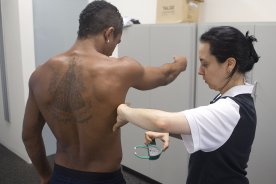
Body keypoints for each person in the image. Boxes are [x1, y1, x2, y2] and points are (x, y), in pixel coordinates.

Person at [21, 1, 187, 184]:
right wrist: (180, 64)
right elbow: (165, 75)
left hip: (62, 175)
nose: (114, 48)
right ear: (108, 33)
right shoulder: (121, 68)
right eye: (117, 41)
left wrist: (45, 175)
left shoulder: (39, 74)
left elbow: (29, 136)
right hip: (105, 178)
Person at [113, 26, 260, 184]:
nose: (199, 71)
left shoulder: (229, 109)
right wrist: (169, 131)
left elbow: (161, 121)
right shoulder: (234, 99)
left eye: (205, 64)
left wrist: (123, 110)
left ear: (229, 64)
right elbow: (209, 132)